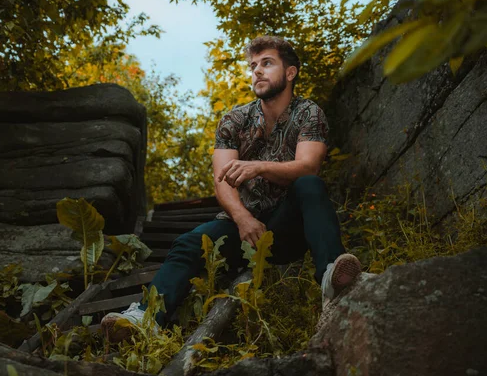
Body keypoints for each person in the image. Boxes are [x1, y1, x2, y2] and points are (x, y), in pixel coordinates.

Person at [101, 36, 361, 342]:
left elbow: (308, 166)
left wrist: (258, 166)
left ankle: (333, 279)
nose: (257, 72)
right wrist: (242, 217)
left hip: (290, 226)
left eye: (267, 63)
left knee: (310, 185)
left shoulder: (309, 113)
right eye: (253, 66)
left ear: (290, 73)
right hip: (243, 229)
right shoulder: (234, 120)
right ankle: (146, 317)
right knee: (189, 242)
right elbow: (222, 179)